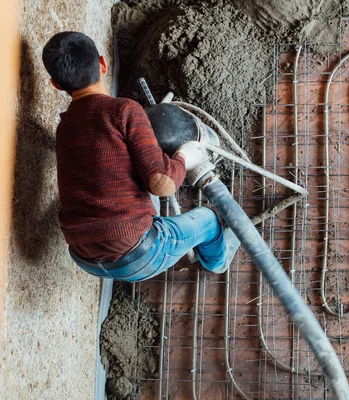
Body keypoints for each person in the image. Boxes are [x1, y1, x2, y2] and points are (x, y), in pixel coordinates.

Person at [42, 31, 237, 282]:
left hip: (85, 258)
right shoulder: (123, 110)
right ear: (103, 64)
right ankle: (217, 263)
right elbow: (163, 185)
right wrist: (184, 157)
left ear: (55, 84)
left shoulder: (64, 127)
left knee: (145, 210)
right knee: (210, 221)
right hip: (139, 255)